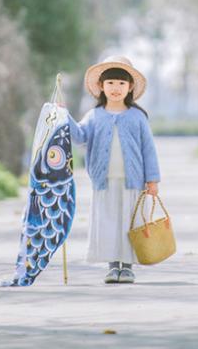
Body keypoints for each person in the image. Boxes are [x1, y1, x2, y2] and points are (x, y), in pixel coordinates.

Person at [62, 55, 161, 284]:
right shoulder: (94, 116)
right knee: (107, 223)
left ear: (130, 87)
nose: (115, 88)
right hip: (104, 182)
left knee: (129, 223)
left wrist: (152, 180)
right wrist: (63, 116)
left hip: (133, 182)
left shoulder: (137, 117)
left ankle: (127, 266)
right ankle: (112, 266)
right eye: (110, 83)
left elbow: (148, 149)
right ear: (101, 87)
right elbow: (79, 137)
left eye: (121, 83)